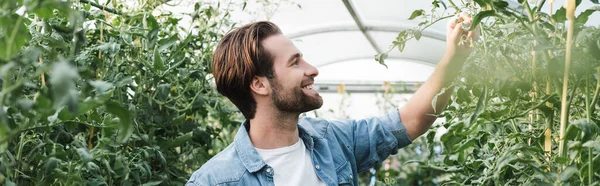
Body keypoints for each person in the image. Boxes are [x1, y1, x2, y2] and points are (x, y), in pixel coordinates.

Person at [186, 12, 479, 186]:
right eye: (295, 62)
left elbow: (410, 120)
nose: (312, 69)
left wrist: (455, 58)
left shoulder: (333, 141)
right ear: (259, 84)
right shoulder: (215, 181)